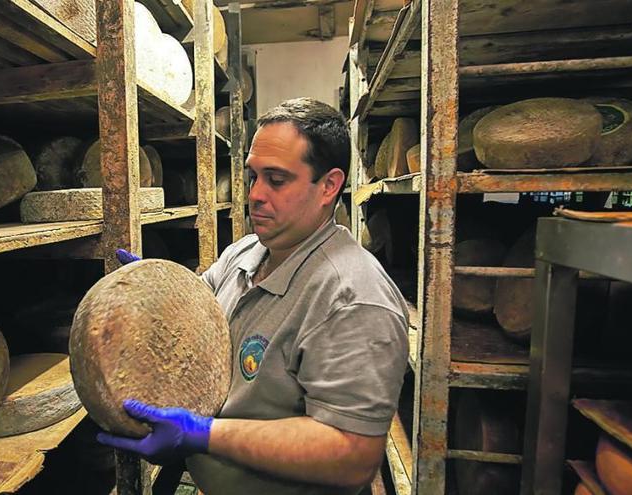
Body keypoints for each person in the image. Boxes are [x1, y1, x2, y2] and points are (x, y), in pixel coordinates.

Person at [102, 97, 410, 494]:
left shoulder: (352, 299)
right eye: (252, 177)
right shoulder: (245, 251)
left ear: (329, 186)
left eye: (276, 180)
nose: (256, 194)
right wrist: (159, 289)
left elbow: (351, 455)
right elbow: (200, 309)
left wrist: (203, 436)